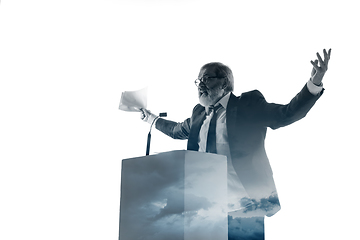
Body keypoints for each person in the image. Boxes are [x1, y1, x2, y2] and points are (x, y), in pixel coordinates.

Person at [140, 49, 331, 239]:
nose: (200, 85)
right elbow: (176, 130)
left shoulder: (247, 104)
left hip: (245, 205)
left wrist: (314, 84)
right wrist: (150, 118)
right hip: (206, 207)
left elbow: (286, 114)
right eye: (198, 80)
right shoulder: (199, 113)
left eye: (206, 79)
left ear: (224, 82)